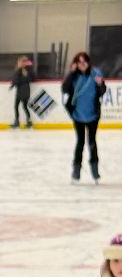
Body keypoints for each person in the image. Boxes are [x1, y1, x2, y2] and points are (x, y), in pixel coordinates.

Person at [62, 51, 107, 183]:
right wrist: (71, 73)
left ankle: (94, 171)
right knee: (80, 142)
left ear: (88, 62)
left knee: (92, 142)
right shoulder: (74, 77)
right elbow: (65, 89)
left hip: (93, 114)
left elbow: (101, 92)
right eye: (79, 62)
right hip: (78, 114)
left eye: (84, 62)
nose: (82, 65)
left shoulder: (96, 74)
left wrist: (100, 84)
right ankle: (76, 172)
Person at [10, 56, 36, 129]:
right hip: (20, 90)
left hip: (24, 90)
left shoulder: (28, 71)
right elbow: (15, 80)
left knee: (23, 106)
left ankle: (27, 121)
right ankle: (19, 121)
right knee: (17, 106)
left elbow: (32, 78)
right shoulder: (19, 71)